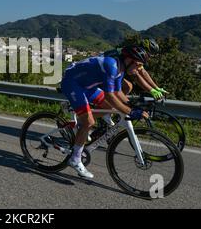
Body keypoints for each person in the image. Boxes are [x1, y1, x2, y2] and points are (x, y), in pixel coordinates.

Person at [60, 46, 150, 179]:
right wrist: (130, 111)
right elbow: (110, 95)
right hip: (72, 83)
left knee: (110, 108)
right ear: (129, 60)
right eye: (138, 65)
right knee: (90, 122)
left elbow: (118, 93)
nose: (138, 69)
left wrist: (133, 106)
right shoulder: (111, 66)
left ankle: (81, 121)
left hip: (87, 86)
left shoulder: (120, 68)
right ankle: (75, 159)